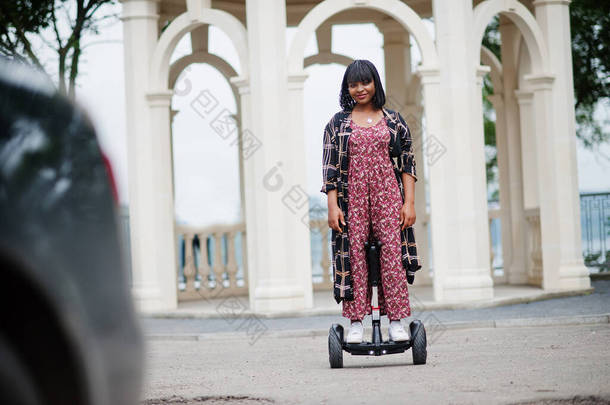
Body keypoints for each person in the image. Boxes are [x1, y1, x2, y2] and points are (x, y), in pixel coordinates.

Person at [321, 59, 420, 344]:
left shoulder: (394, 121)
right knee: (355, 258)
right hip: (351, 198)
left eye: (365, 82)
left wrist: (408, 203)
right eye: (353, 84)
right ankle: (355, 322)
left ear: (375, 83)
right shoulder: (337, 124)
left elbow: (407, 164)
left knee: (392, 257)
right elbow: (329, 168)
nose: (360, 89)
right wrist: (332, 205)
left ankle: (397, 321)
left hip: (387, 196)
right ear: (347, 88)